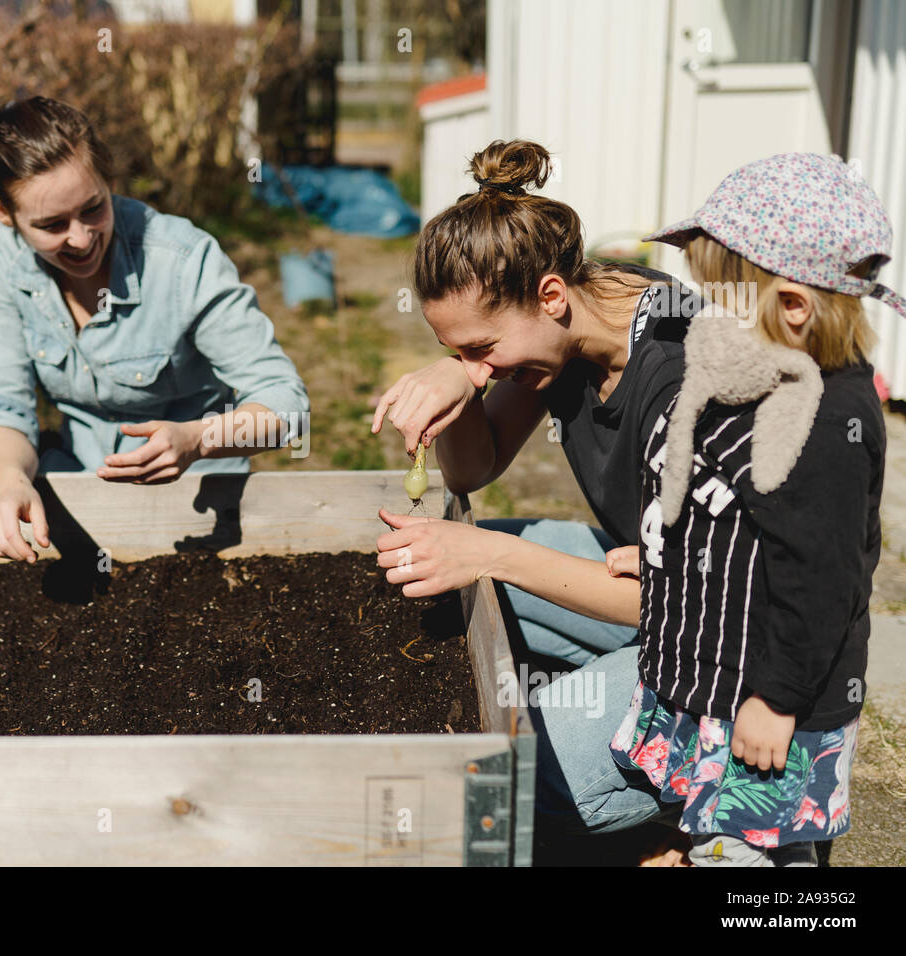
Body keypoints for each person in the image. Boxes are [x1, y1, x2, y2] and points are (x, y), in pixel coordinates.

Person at [371, 139, 702, 838]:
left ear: (550, 296)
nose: (480, 369)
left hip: (725, 647)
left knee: (509, 767)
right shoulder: (576, 318)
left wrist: (488, 556)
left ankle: (706, 800)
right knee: (464, 571)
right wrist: (459, 383)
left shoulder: (681, 376)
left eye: (481, 349)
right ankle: (621, 703)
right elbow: (473, 469)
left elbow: (682, 602)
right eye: (457, 350)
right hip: (637, 573)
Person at [602, 152, 903, 866]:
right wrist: (666, 554)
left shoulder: (826, 422)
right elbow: (738, 516)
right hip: (721, 680)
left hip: (769, 700)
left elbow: (823, 580)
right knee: (718, 841)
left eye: (723, 297)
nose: (707, 313)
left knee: (756, 855)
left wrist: (777, 698)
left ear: (792, 307)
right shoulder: (757, 377)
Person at [0, 96, 309, 563]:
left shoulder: (182, 259)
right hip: (84, 495)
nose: (82, 238)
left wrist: (198, 438)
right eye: (51, 224)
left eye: (93, 208)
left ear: (109, 182)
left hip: (201, 504)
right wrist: (10, 484)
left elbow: (287, 408)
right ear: (2, 212)